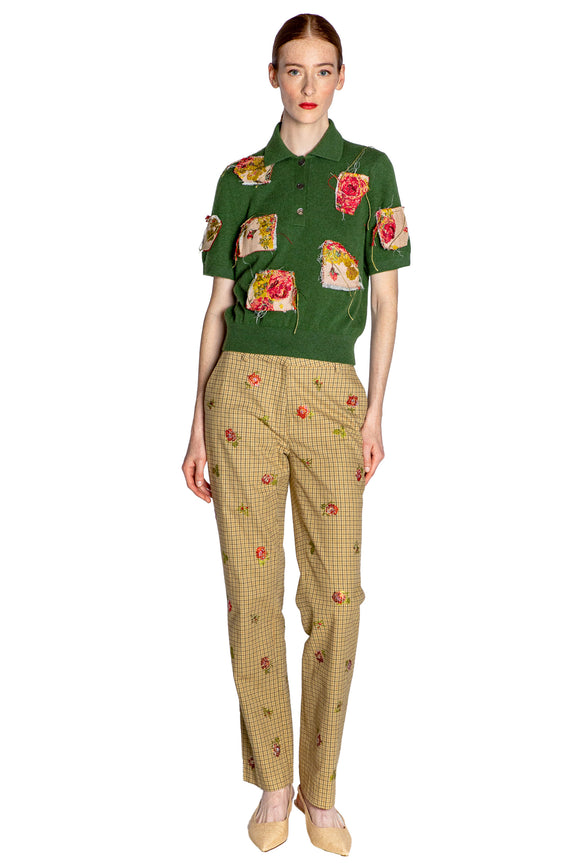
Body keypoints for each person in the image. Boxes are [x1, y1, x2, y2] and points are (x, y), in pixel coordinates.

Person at [182, 13, 411, 855]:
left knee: (337, 598)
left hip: (332, 395)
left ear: (341, 77)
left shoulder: (370, 170)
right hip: (240, 391)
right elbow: (217, 308)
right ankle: (274, 785)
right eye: (293, 69)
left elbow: (386, 299)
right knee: (252, 595)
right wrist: (194, 425)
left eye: (322, 70)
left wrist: (375, 411)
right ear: (272, 75)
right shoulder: (240, 177)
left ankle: (323, 787)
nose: (308, 86)